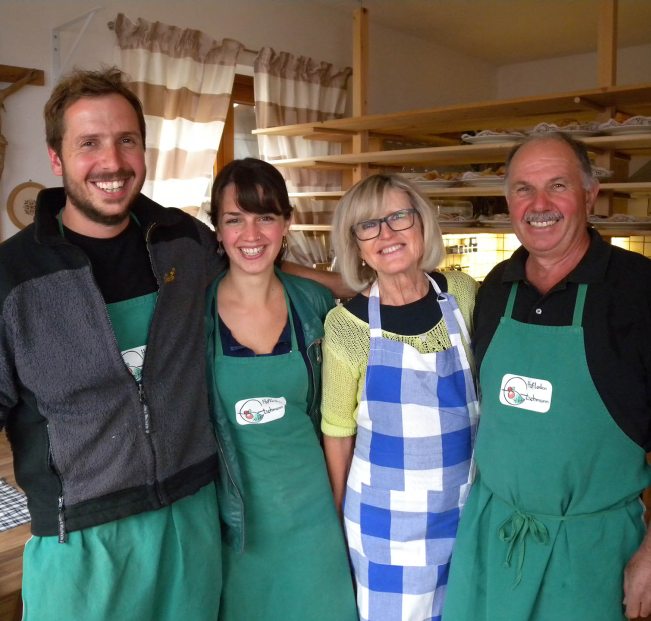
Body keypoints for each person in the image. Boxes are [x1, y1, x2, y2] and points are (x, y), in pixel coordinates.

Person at [0, 68, 344, 621]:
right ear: (56, 158)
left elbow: (251, 256)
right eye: (89, 143)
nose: (112, 161)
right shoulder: (13, 278)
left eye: (126, 140)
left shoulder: (180, 240)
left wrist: (358, 283)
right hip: (81, 544)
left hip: (192, 523)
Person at [443, 132, 651, 621]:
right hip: (491, 537)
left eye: (557, 185)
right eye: (523, 189)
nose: (539, 205)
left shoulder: (638, 289)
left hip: (591, 554)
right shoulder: (496, 288)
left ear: (590, 194)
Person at [321, 173, 479, 621]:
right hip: (385, 524)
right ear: (356, 245)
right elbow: (338, 433)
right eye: (368, 225)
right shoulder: (347, 327)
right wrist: (337, 520)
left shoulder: (462, 293)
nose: (386, 234)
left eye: (398, 217)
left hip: (466, 510)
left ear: (422, 223)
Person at [206, 158, 358, 621]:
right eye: (235, 219)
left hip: (316, 516)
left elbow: (339, 418)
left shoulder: (313, 303)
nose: (251, 234)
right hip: (234, 524)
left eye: (266, 217)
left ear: (287, 223)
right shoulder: (193, 312)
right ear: (217, 229)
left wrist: (339, 508)